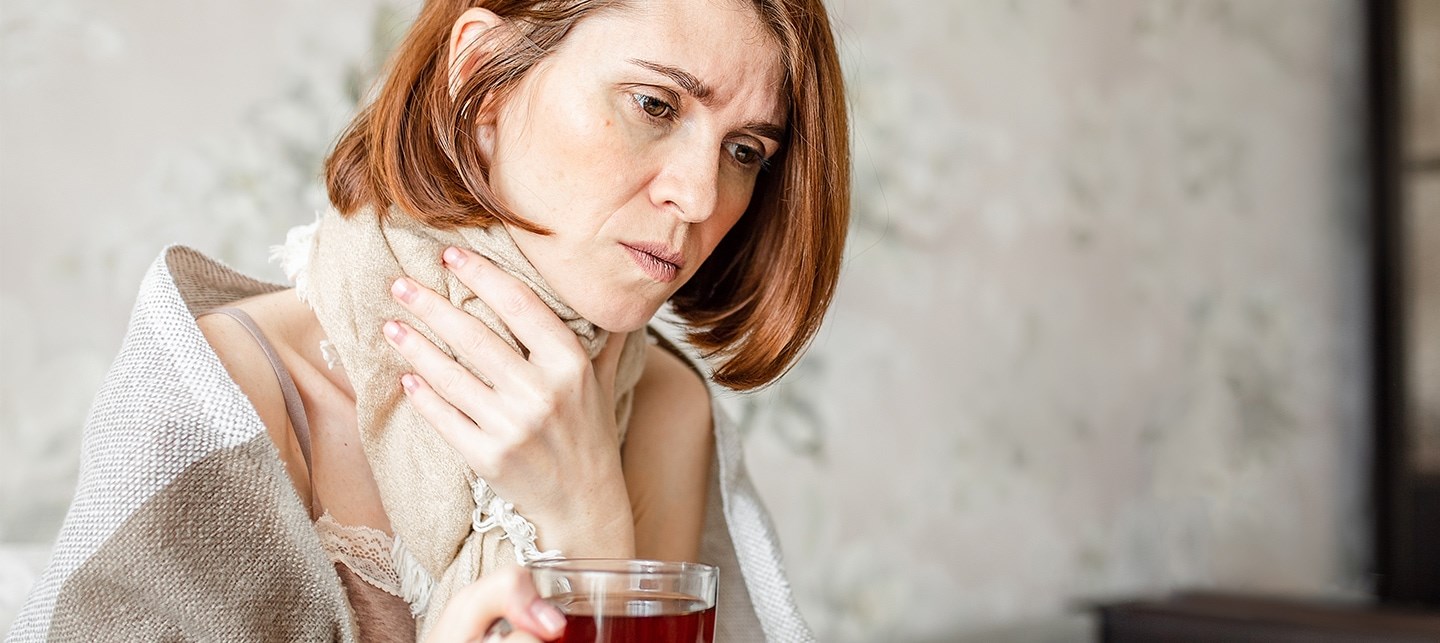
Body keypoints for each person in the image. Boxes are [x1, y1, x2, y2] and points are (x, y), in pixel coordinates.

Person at [8, 0, 848, 641]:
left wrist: (589, 522)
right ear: (481, 74)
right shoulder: (232, 393)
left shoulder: (665, 407)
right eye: (655, 105)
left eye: (746, 152)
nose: (701, 196)